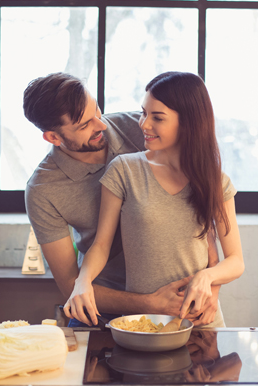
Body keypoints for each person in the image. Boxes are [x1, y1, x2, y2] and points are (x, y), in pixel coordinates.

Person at [23, 72, 223, 327]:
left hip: (178, 295)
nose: (101, 125)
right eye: (85, 125)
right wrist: (151, 302)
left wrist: (212, 286)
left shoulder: (140, 128)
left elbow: (200, 203)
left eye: (97, 112)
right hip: (104, 305)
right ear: (53, 137)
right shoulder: (42, 190)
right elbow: (71, 286)